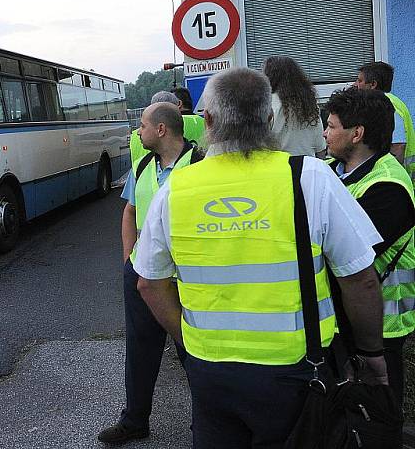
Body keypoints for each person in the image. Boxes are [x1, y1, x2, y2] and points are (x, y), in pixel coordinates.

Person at [135, 67, 387, 448]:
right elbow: (361, 278)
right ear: (270, 119)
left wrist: (187, 343)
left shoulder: (176, 189)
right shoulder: (309, 177)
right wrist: (371, 353)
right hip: (298, 370)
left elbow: (149, 283)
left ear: (208, 120)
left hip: (211, 370)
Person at [98, 102, 202, 445]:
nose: (137, 132)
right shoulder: (143, 165)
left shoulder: (199, 164)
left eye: (142, 125)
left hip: (185, 278)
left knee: (193, 350)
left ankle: (206, 421)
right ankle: (134, 420)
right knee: (140, 349)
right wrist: (129, 259)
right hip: (144, 276)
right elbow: (130, 211)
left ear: (161, 129)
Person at [323, 86, 415, 409]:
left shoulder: (388, 187)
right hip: (347, 322)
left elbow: (344, 254)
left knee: (378, 417)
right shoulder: (334, 172)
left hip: (381, 328)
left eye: (332, 126)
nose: (325, 134)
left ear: (356, 134)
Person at [356, 61, 415, 178]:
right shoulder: (382, 103)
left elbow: (398, 147)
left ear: (373, 84)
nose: (355, 84)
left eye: (359, 80)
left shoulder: (387, 105)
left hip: (399, 178)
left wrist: (388, 178)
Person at [262, 55, 326, 157]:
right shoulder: (309, 104)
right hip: (307, 166)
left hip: (280, 168)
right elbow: (320, 149)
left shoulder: (267, 104)